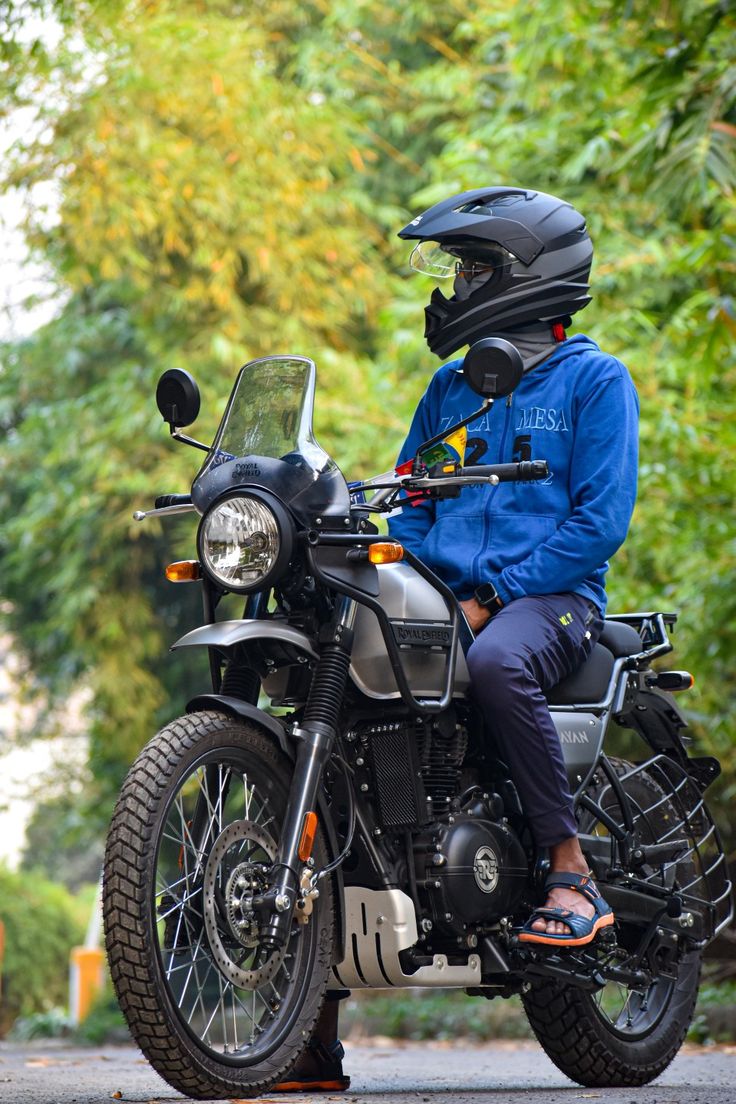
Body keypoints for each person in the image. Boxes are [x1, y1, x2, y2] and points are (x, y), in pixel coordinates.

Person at [276, 185, 639, 1092]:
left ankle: (567, 874)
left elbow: (599, 522)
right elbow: (405, 490)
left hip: (547, 602)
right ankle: (309, 1035)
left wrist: (497, 595)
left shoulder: (596, 382)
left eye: (471, 269)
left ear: (524, 275)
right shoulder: (449, 389)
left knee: (502, 659)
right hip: (445, 596)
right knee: (344, 725)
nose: (453, 288)